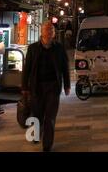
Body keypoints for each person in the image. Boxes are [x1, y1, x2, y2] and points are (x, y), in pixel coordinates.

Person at [22, 21, 71, 152]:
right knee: (37, 114)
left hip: (53, 87)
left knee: (50, 117)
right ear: (41, 32)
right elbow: (27, 68)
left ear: (54, 33)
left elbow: (65, 68)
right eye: (47, 30)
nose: (49, 33)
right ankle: (36, 135)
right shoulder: (33, 48)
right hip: (36, 86)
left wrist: (67, 85)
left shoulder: (59, 48)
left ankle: (47, 145)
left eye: (51, 30)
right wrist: (24, 88)